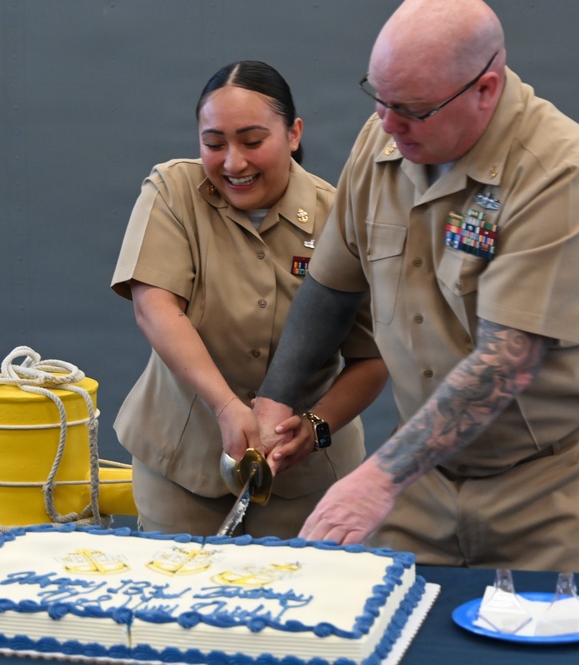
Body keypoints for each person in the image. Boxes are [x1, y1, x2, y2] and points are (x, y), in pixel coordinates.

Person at [254, 0, 579, 574]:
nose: (388, 124)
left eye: (412, 109)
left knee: (544, 641)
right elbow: (332, 285)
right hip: (425, 473)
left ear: (484, 89)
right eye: (379, 98)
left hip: (553, 481)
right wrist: (274, 399)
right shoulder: (385, 137)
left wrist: (379, 477)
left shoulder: (561, 173)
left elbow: (507, 362)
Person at [111, 61, 388, 539]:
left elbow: (375, 356)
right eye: (214, 144)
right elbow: (155, 306)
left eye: (252, 141)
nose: (233, 163)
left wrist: (317, 425)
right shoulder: (174, 191)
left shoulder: (339, 218)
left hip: (304, 480)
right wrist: (225, 407)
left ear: (294, 133)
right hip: (182, 471)